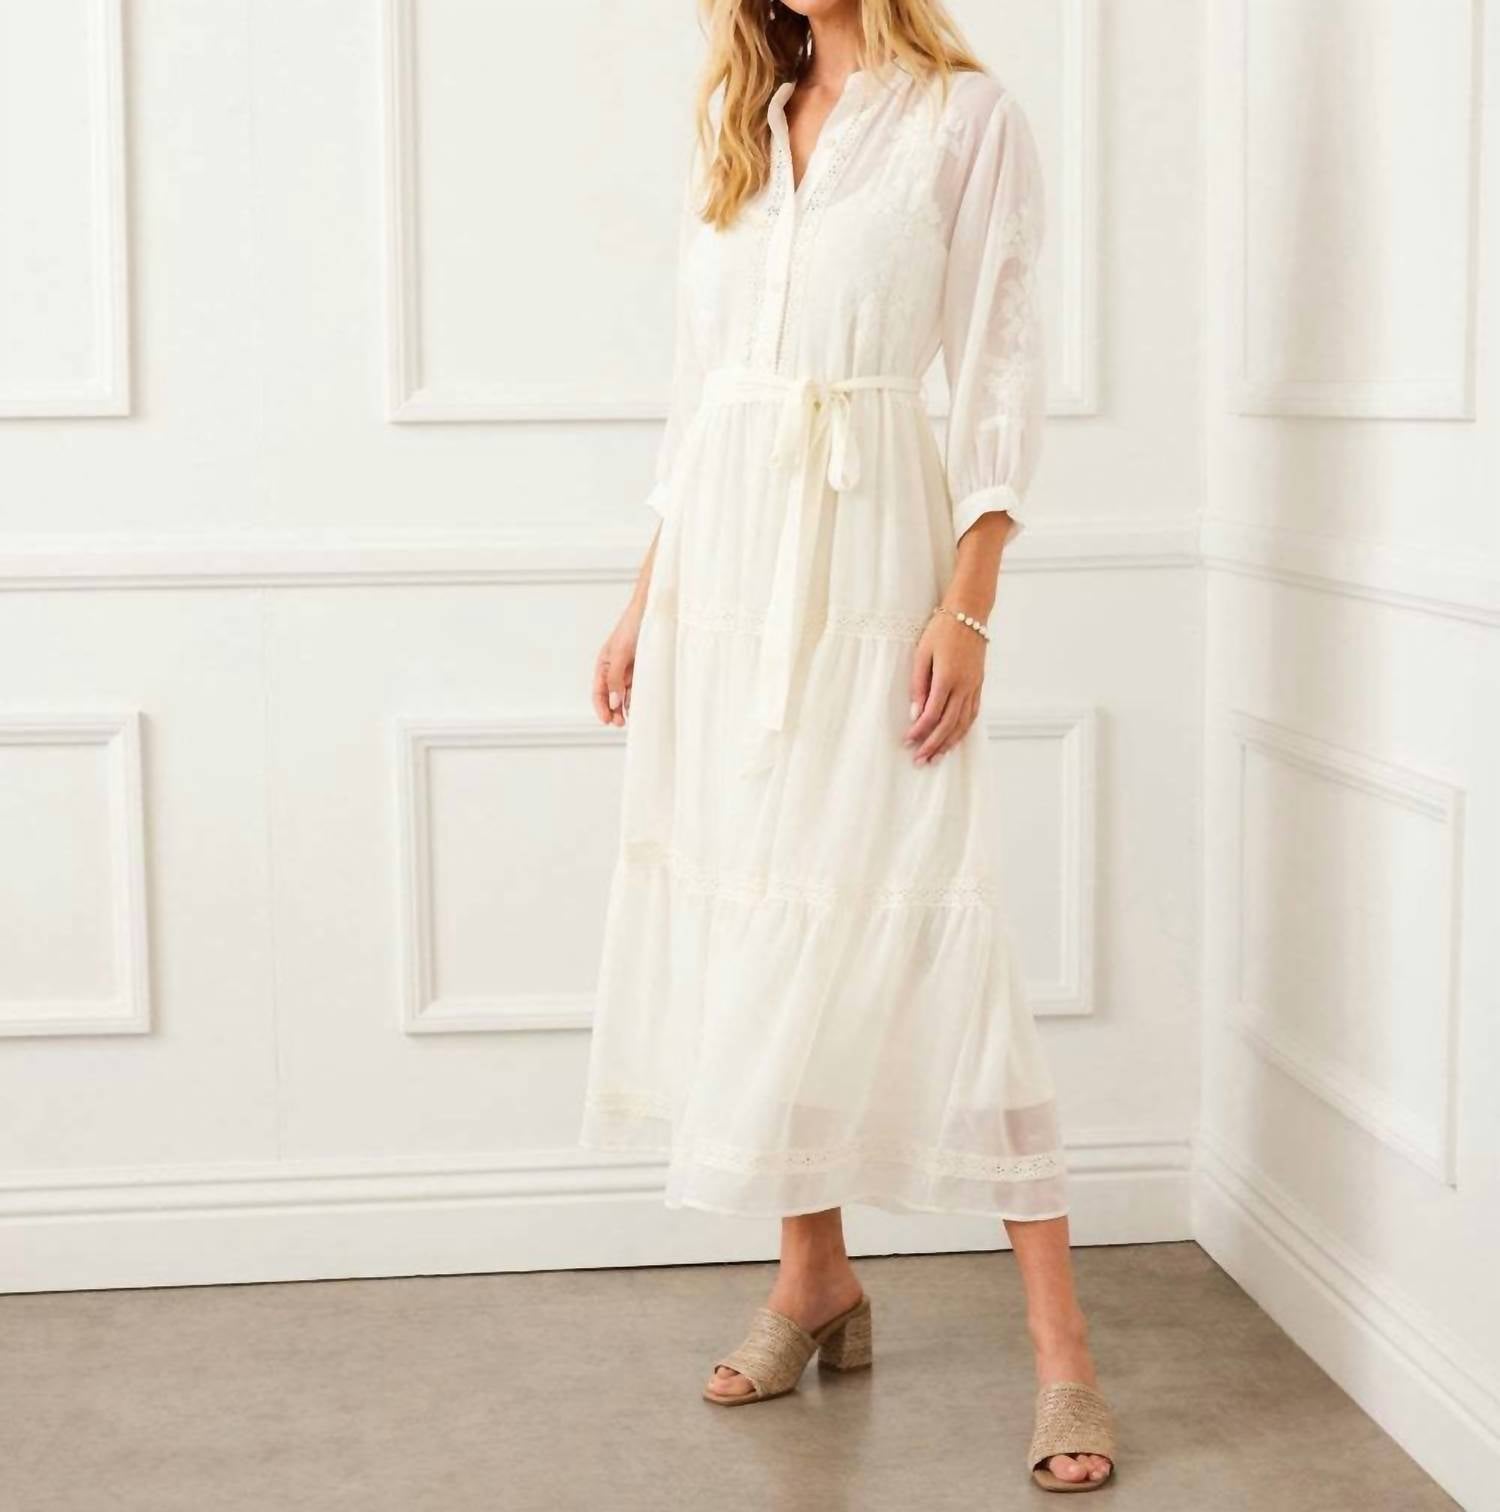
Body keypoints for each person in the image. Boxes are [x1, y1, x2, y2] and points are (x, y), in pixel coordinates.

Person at [581, 0, 1114, 1491]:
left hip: (875, 553)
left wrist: (969, 604)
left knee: (932, 905)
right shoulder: (745, 120)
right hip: (722, 581)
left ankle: (1065, 1352)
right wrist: (643, 599)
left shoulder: (964, 117)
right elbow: (698, 403)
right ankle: (813, 1276)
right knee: (761, 904)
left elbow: (999, 372)